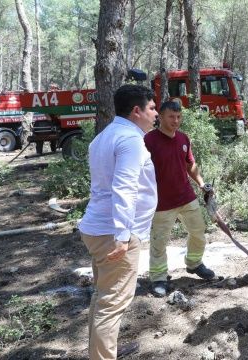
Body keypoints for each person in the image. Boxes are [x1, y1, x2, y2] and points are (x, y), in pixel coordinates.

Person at [78, 84, 158, 359]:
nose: (155, 113)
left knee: (103, 299)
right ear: (137, 111)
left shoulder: (103, 137)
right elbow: (124, 187)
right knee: (111, 304)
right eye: (151, 107)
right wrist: (123, 236)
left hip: (100, 229)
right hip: (115, 233)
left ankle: (99, 351)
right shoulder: (130, 140)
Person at [144, 101, 215, 297]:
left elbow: (189, 164)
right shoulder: (148, 141)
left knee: (198, 231)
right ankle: (158, 278)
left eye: (178, 117)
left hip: (186, 196)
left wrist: (201, 183)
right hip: (161, 203)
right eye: (171, 117)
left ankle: (194, 264)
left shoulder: (183, 138)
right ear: (161, 116)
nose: (176, 121)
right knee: (159, 242)